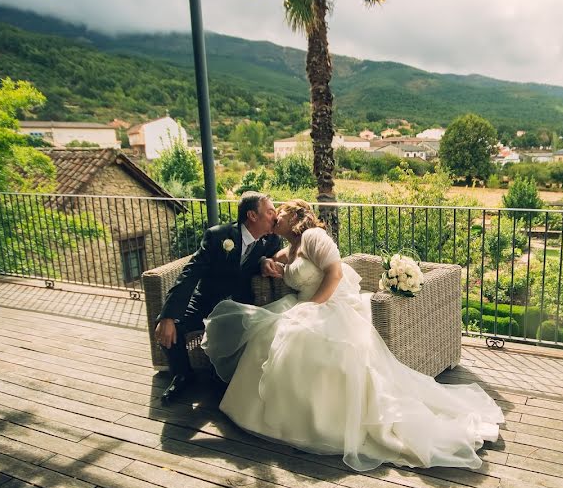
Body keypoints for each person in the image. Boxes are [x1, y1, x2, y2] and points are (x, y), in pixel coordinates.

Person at [201, 199, 504, 471]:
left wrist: (311, 308)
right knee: (266, 337)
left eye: (278, 213)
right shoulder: (289, 247)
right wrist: (268, 264)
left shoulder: (313, 236)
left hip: (329, 306)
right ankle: (272, 418)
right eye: (270, 213)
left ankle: (319, 424)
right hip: (303, 305)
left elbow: (334, 273)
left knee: (301, 345)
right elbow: (277, 262)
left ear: (294, 217)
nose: (274, 217)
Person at [154, 191, 283, 404]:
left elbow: (269, 256)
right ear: (252, 215)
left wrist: (262, 261)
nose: (275, 216)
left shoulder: (271, 241)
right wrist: (167, 316)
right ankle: (182, 375)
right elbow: (190, 273)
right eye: (270, 212)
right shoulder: (218, 236)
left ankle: (223, 380)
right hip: (205, 299)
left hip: (239, 305)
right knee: (169, 326)